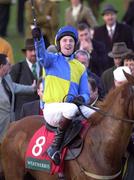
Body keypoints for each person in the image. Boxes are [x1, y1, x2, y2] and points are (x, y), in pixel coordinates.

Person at [32, 25, 95, 165]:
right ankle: (54, 147)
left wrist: (82, 98)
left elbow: (86, 93)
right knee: (71, 109)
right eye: (65, 40)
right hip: (52, 109)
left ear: (75, 44)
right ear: (59, 44)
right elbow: (41, 54)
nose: (68, 43)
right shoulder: (50, 60)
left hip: (71, 108)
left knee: (96, 113)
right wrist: (38, 39)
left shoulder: (80, 67)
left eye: (71, 41)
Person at [0, 53, 36, 142]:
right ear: (1, 66)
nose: (11, 66)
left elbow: (14, 87)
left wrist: (32, 88)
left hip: (10, 123)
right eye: (8, 64)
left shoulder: (7, 77)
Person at [94, 4, 134, 69]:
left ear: (116, 15)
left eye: (112, 14)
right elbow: (96, 50)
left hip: (123, 66)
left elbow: (131, 48)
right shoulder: (98, 32)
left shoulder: (126, 29)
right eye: (107, 15)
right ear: (103, 17)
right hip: (105, 68)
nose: (110, 17)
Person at [10, 38, 42, 120]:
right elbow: (11, 89)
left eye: (35, 50)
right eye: (30, 50)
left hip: (40, 113)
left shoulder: (44, 67)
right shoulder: (17, 68)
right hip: (22, 114)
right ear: (25, 52)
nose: (34, 53)